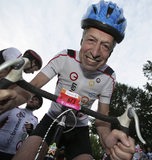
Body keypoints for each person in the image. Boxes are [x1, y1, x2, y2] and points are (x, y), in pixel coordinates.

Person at [0, 1, 135, 160]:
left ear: (111, 52)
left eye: (105, 46)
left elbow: (101, 120)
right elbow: (32, 87)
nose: (95, 52)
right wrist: (8, 101)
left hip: (80, 130)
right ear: (82, 39)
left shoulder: (109, 77)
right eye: (91, 40)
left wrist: (108, 143)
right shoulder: (64, 57)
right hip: (51, 119)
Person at [0, 94, 43, 160]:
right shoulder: (14, 109)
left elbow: (31, 138)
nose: (32, 99)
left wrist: (30, 131)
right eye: (31, 98)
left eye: (36, 99)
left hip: (12, 153)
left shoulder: (35, 120)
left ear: (38, 106)